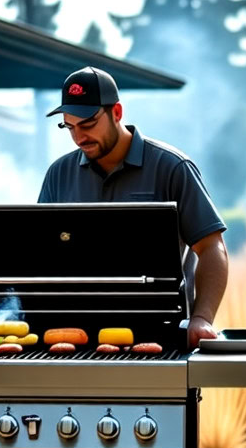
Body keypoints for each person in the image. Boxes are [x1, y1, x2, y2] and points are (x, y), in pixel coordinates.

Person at [37, 66, 228, 348]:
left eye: (88, 124)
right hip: (75, 337)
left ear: (116, 112)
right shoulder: (58, 174)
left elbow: (212, 249)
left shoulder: (172, 168)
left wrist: (202, 318)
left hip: (160, 335)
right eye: (70, 126)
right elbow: (41, 254)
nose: (79, 138)